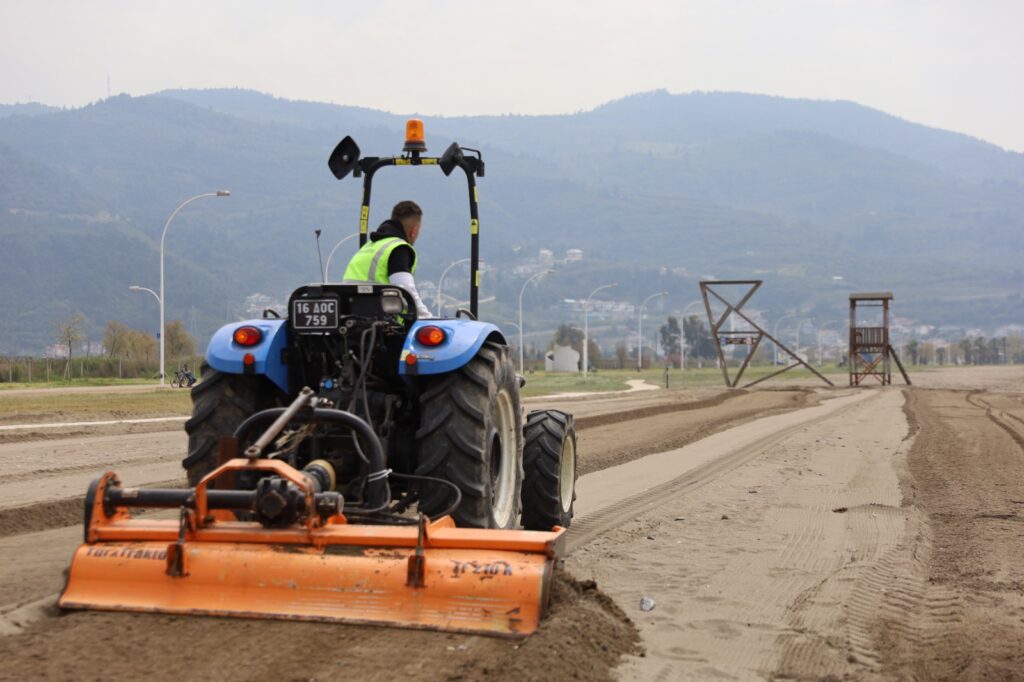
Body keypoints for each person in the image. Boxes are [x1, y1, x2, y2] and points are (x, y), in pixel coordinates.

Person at [343, 200, 433, 318]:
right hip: (380, 323)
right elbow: (406, 291)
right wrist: (428, 319)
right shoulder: (398, 249)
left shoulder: (369, 247)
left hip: (351, 318)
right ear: (414, 231)